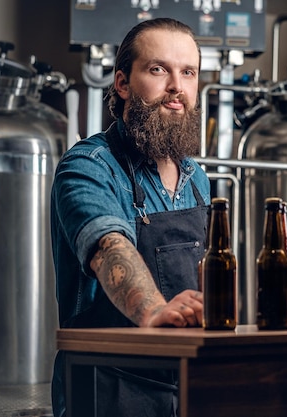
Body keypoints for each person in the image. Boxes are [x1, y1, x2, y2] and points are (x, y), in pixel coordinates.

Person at [50, 18, 210, 417]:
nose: (177, 86)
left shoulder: (196, 178)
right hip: (106, 388)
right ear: (122, 83)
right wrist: (154, 311)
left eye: (187, 72)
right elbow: (109, 246)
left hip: (183, 385)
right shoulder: (88, 166)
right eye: (158, 69)